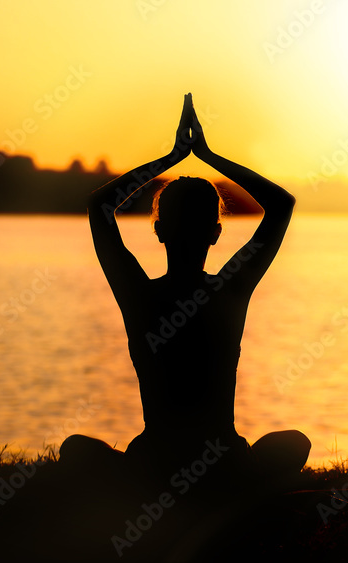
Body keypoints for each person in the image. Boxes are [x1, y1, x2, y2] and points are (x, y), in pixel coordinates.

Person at [62, 94, 309, 490]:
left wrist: (171, 157)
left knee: (75, 448)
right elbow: (281, 205)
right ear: (216, 233)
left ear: (159, 231)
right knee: (295, 443)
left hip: (152, 466)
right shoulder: (230, 292)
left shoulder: (139, 296)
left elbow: (99, 207)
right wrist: (208, 156)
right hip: (224, 466)